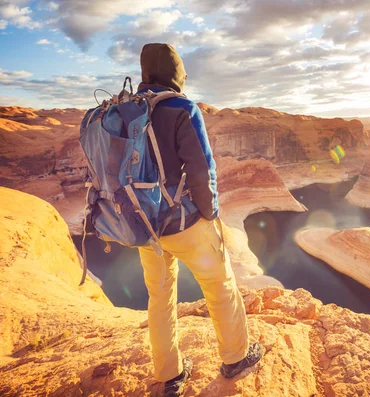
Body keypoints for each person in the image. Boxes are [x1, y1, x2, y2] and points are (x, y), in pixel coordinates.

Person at [136, 43, 263, 397]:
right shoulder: (180, 107)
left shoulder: (127, 110)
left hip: (144, 225)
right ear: (175, 72)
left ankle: (170, 375)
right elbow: (202, 169)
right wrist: (211, 218)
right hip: (186, 223)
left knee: (159, 297)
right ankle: (235, 358)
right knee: (220, 287)